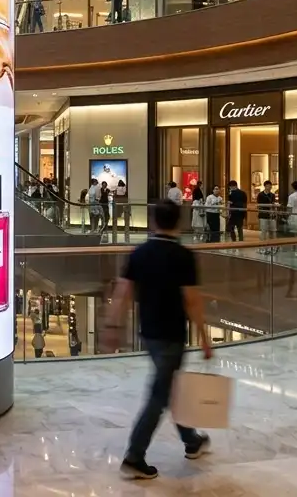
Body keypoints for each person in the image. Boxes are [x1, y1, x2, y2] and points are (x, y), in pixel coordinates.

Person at [105, 198, 212, 479]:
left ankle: (191, 440)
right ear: (179, 222)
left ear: (153, 222)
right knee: (159, 396)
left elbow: (122, 293)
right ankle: (134, 456)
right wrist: (204, 337)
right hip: (172, 334)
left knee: (171, 387)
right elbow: (192, 300)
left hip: (149, 333)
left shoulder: (139, 253)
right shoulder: (183, 256)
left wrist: (113, 326)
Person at [257, 181, 278, 250]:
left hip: (271, 215)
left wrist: (275, 211)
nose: (270, 187)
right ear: (265, 186)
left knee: (273, 231)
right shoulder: (260, 195)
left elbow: (273, 204)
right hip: (263, 215)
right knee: (263, 231)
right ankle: (262, 246)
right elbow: (259, 205)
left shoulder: (272, 195)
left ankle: (273, 246)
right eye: (268, 186)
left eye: (270, 186)